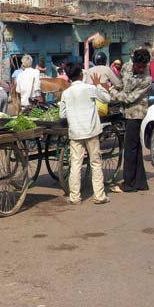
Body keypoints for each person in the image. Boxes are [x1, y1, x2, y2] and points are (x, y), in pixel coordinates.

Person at [59, 64, 111, 205]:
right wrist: (99, 85)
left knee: (75, 164)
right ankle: (99, 196)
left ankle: (75, 197)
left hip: (75, 132)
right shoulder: (90, 88)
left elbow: (62, 114)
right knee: (95, 162)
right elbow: (107, 99)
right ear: (81, 75)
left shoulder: (66, 93)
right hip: (91, 131)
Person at [109, 49, 152, 193]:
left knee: (130, 149)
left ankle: (128, 183)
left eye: (142, 67)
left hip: (136, 114)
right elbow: (120, 83)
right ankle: (140, 182)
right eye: (137, 65)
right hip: (125, 111)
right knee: (136, 147)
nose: (139, 69)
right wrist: (115, 87)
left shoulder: (146, 79)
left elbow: (130, 98)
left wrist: (111, 92)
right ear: (133, 62)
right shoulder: (127, 66)